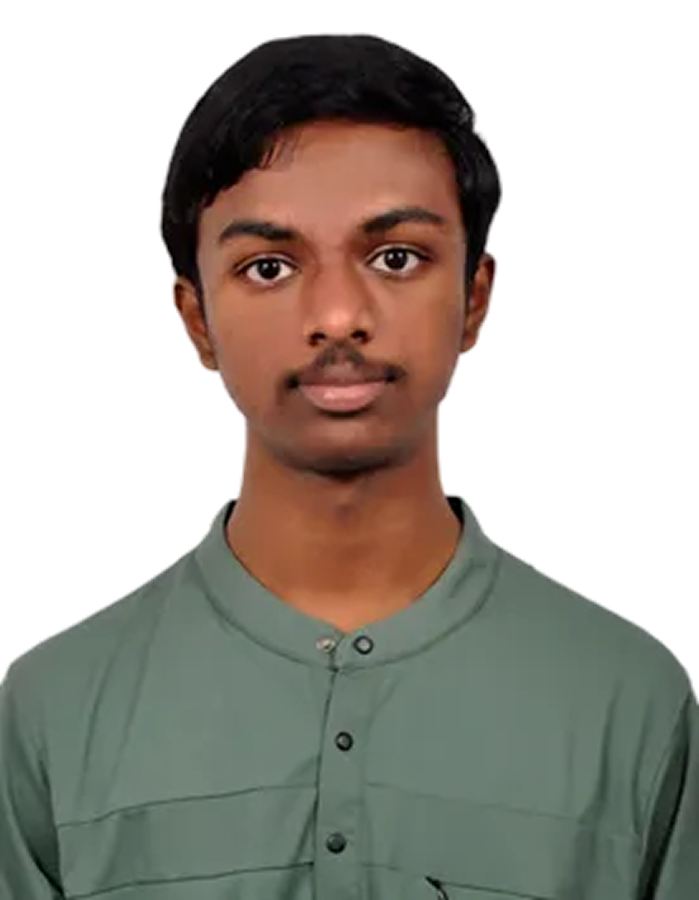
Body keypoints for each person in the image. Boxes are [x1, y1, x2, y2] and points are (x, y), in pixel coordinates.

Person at [1, 32, 696, 899]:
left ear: (475, 298)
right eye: (268, 266)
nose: (336, 316)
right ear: (196, 320)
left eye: (395, 257)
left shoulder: (632, 702)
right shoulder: (48, 711)